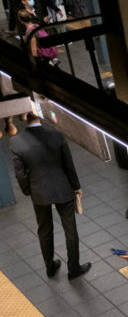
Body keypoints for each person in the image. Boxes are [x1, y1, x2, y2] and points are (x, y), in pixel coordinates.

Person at [10, 112, 91, 280]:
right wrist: (76, 186)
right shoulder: (56, 135)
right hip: (63, 189)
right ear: (40, 116)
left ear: (23, 118)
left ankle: (50, 267)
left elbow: (20, 174)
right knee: (70, 231)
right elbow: (68, 163)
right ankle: (73, 269)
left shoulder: (16, 142)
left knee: (44, 230)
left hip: (39, 193)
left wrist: (28, 191)